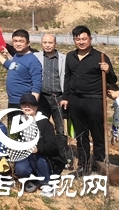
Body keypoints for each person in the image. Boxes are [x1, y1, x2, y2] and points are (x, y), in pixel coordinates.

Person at [62, 25, 117, 176]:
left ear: (90, 39)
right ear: (74, 40)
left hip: (94, 100)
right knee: (81, 136)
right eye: (78, 39)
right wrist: (65, 97)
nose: (81, 42)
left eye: (84, 39)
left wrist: (108, 70)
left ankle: (99, 166)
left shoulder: (101, 57)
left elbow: (112, 80)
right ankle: (84, 167)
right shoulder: (70, 56)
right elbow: (67, 78)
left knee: (98, 135)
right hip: (75, 100)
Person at [14, 93, 59, 197]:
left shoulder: (44, 123)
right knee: (21, 169)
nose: (27, 107)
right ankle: (36, 178)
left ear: (36, 107)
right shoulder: (18, 122)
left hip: (43, 156)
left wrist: (38, 149)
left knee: (38, 158)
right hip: (25, 155)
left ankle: (47, 183)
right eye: (24, 105)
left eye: (30, 105)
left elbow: (52, 146)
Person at [0, 29, 42, 113]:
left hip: (24, 103)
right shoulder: (17, 56)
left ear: (28, 43)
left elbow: (37, 84)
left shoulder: (32, 60)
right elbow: (10, 66)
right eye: (15, 41)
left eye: (21, 41)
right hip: (12, 101)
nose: (18, 44)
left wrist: (32, 105)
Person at [34, 33, 66, 134]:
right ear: (41, 44)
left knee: (60, 127)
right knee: (40, 124)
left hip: (58, 97)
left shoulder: (64, 59)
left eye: (50, 42)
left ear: (55, 44)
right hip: (42, 97)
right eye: (45, 42)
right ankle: (43, 148)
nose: (47, 45)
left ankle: (62, 149)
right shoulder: (36, 57)